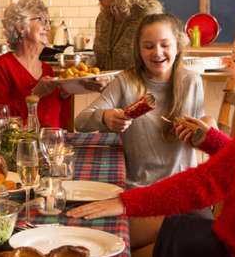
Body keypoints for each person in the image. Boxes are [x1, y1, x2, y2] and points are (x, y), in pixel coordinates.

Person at [67, 17, 235, 257]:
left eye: (234, 60)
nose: (231, 67)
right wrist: (211, 139)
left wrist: (125, 201)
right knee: (120, 238)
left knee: (117, 248)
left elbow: (206, 183)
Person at [75, 13, 207, 189]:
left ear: (178, 46)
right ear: (138, 49)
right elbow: (80, 122)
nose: (157, 52)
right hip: (138, 188)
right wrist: (105, 117)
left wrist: (205, 128)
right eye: (148, 46)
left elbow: (203, 131)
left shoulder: (192, 81)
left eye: (165, 45)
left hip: (182, 187)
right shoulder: (125, 81)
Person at [0, 0, 71, 128]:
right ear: (21, 27)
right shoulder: (2, 65)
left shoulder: (47, 70)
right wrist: (35, 94)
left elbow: (57, 119)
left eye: (48, 22)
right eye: (41, 20)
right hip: (20, 145)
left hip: (51, 144)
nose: (48, 27)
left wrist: (66, 95)